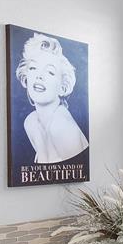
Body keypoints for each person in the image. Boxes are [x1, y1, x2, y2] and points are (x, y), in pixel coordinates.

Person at [15, 33, 88, 163]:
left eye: (50, 72)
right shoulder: (31, 122)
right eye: (33, 68)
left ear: (63, 86)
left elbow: (77, 174)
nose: (39, 76)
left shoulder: (60, 125)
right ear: (26, 76)